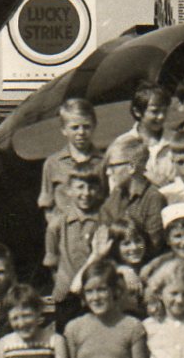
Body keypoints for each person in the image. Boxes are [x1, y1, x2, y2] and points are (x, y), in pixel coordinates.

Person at [45, 169, 107, 310]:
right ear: (69, 190)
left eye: (91, 188)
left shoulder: (103, 220)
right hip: (64, 293)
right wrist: (62, 284)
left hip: (94, 292)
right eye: (80, 187)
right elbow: (52, 262)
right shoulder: (57, 224)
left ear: (98, 191)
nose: (86, 193)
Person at [97, 134, 167, 253]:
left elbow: (153, 246)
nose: (108, 172)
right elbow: (100, 234)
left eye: (112, 166)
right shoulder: (116, 196)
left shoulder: (153, 198)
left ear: (131, 167)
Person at [37, 97, 105, 213]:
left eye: (86, 126)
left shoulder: (104, 161)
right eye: (75, 127)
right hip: (64, 228)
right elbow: (47, 204)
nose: (81, 132)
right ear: (64, 130)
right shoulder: (53, 163)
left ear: (94, 126)